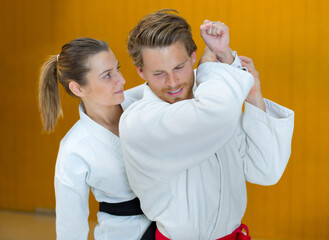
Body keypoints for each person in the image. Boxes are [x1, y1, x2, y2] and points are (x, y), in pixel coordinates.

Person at [120, 9, 295, 240]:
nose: (172, 82)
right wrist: (213, 65)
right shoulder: (139, 121)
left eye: (179, 67)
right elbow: (212, 114)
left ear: (192, 56)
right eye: (159, 73)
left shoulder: (215, 105)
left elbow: (265, 171)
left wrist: (253, 95)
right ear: (141, 71)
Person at [38, 37, 154, 240]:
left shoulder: (145, 100)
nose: (122, 80)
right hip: (123, 233)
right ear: (77, 88)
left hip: (175, 226)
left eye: (117, 68)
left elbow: (189, 80)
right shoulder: (74, 148)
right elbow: (71, 228)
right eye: (108, 75)